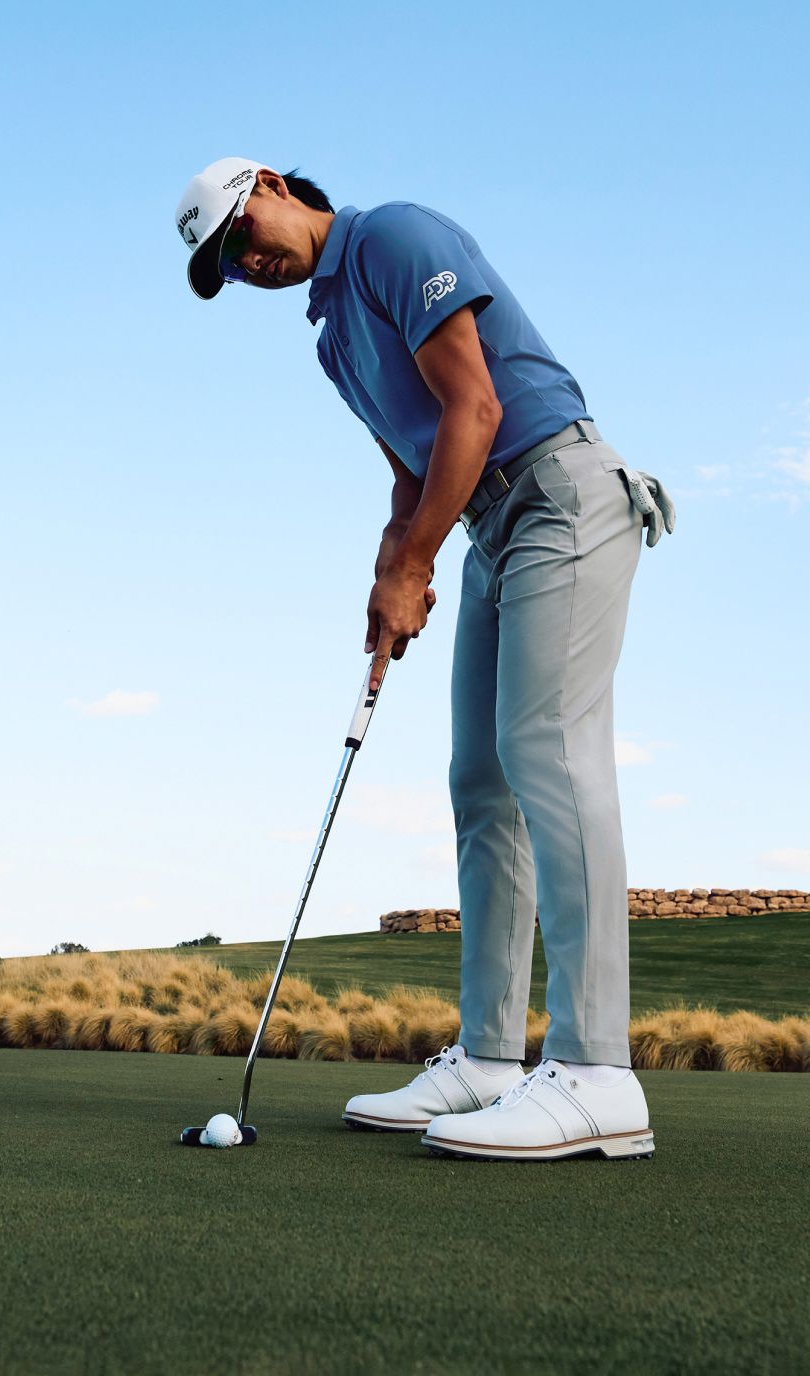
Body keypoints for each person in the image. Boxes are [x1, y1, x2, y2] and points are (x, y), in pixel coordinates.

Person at [174, 158, 673, 1162]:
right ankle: (489, 1057)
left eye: (240, 233)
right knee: (479, 780)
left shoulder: (392, 236)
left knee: (547, 749)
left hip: (559, 492)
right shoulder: (329, 341)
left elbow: (474, 410)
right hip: (489, 524)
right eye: (224, 264)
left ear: (273, 185)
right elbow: (412, 463)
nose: (244, 262)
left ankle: (595, 1070)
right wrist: (389, 562)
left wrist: (413, 563)